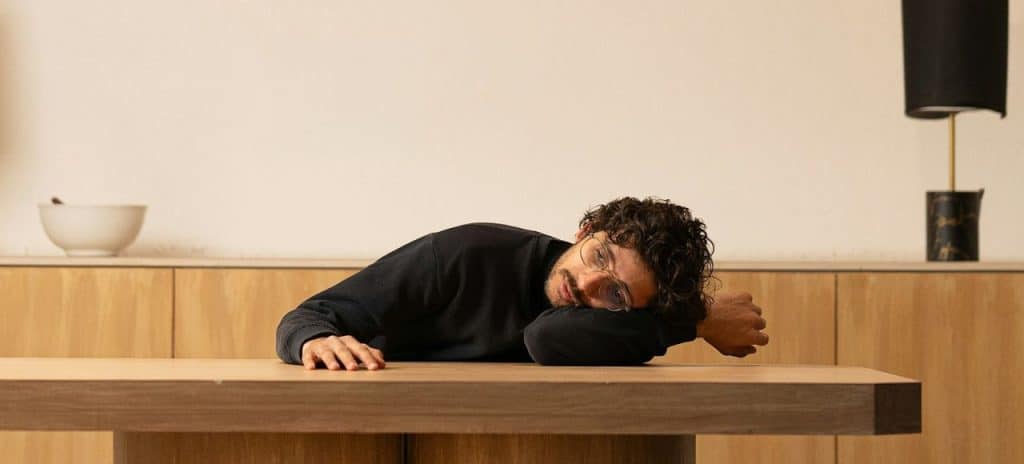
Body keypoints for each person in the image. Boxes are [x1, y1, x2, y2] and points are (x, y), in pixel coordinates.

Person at [276, 197, 768, 370]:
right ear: (584, 230)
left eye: (615, 293)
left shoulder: (603, 329)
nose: (588, 283)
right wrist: (317, 339)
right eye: (599, 255)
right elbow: (302, 319)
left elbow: (547, 338)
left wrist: (690, 321)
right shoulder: (465, 254)